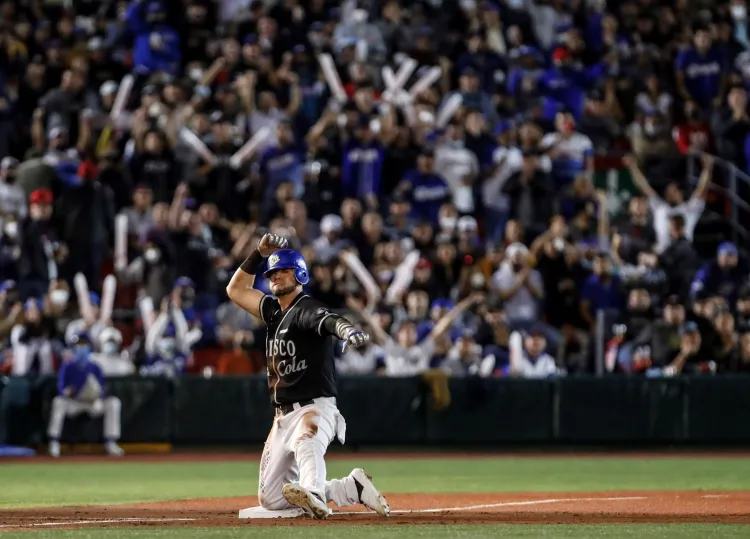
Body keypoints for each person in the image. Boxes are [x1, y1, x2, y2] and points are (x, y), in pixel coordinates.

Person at [225, 233, 390, 519]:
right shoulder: (274, 312)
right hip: (281, 417)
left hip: (314, 408)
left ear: (300, 273)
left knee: (307, 439)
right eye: (272, 272)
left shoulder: (306, 308)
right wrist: (258, 253)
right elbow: (236, 290)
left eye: (283, 270)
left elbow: (328, 320)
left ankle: (314, 492)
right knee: (272, 499)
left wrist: (348, 330)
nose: (275, 276)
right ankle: (351, 488)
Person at [46, 331, 124, 458]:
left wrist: (99, 395)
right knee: (58, 402)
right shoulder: (68, 366)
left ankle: (111, 442)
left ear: (89, 346)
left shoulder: (94, 367)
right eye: (78, 344)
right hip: (74, 401)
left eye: (84, 344)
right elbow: (61, 388)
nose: (81, 347)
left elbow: (103, 388)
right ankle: (54, 442)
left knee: (113, 403)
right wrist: (68, 391)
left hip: (92, 402)